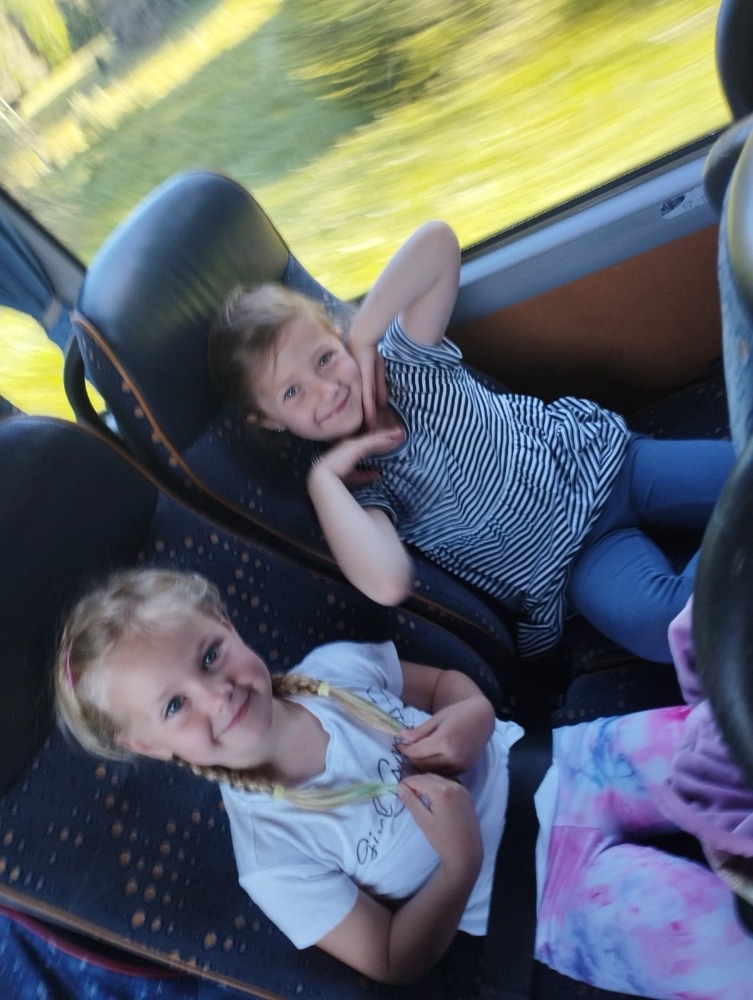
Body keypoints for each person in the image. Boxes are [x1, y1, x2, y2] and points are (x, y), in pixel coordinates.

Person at [55, 566, 753, 998]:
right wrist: (457, 864)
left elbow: (447, 686)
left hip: (566, 763)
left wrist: (472, 718)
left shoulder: (333, 672)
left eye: (210, 656)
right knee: (722, 945)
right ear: (148, 746)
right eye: (174, 706)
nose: (217, 695)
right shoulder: (270, 855)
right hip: (543, 892)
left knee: (728, 735)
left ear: (227, 625)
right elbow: (391, 960)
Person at [208, 222, 735, 664]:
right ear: (269, 420)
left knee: (742, 474)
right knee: (668, 626)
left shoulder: (405, 362)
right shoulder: (363, 486)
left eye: (325, 358)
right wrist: (323, 481)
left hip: (610, 463)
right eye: (293, 392)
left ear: (337, 336)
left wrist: (364, 333)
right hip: (576, 559)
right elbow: (388, 583)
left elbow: (438, 244)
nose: (327, 390)